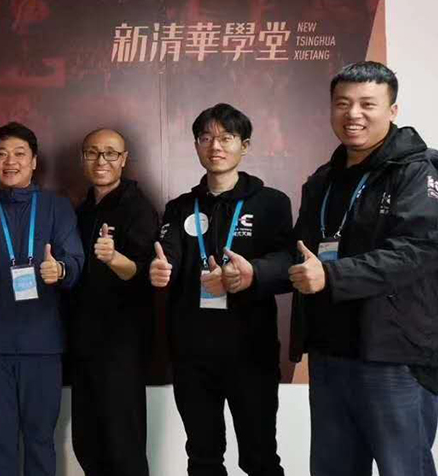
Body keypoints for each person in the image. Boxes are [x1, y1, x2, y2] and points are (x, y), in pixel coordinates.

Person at [286, 61, 438, 476]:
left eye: (367, 104)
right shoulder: (322, 180)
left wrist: (332, 276)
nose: (353, 114)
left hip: (393, 357)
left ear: (392, 110)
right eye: (343, 103)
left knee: (403, 468)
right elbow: (299, 253)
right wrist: (255, 275)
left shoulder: (417, 171)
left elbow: (417, 250)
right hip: (330, 353)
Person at [149, 103, 291, 476]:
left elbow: (287, 262)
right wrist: (161, 269)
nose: (215, 146)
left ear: (245, 145)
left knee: (260, 458)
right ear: (196, 145)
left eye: (227, 138)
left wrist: (253, 273)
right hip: (193, 354)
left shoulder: (271, 203)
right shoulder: (180, 207)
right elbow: (169, 255)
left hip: (252, 351)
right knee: (203, 457)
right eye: (206, 138)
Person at [0, 122, 84, 476]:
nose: (10, 162)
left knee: (41, 440)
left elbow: (75, 260)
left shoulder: (57, 208)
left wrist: (61, 270)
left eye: (19, 154)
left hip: (42, 344)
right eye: (1, 154)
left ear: (34, 162)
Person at [69, 128, 157, 476]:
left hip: (121, 343)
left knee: (123, 443)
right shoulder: (82, 210)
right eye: (92, 153)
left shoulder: (138, 208)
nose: (101, 160)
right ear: (83, 159)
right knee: (88, 442)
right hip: (83, 340)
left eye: (110, 153)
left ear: (124, 160)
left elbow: (140, 271)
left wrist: (113, 258)